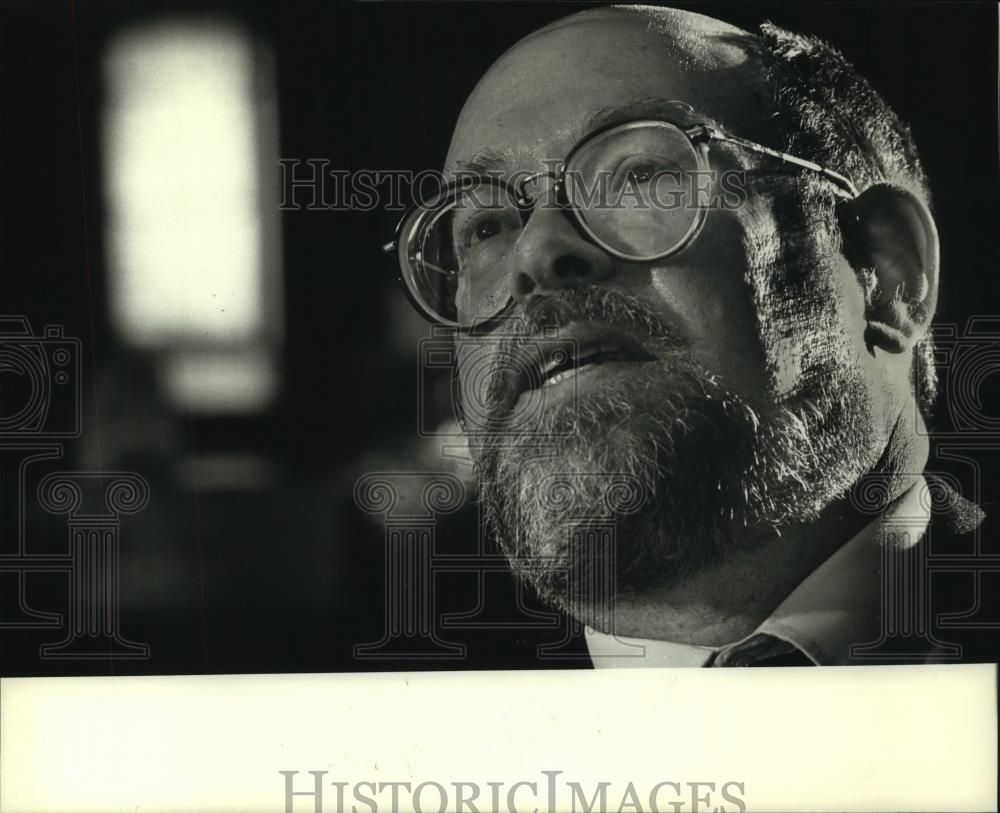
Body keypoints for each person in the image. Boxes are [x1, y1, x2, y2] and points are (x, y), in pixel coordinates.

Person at [385, 4, 992, 666]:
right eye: (487, 225)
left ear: (886, 271)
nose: (536, 251)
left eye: (640, 175)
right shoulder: (365, 723)